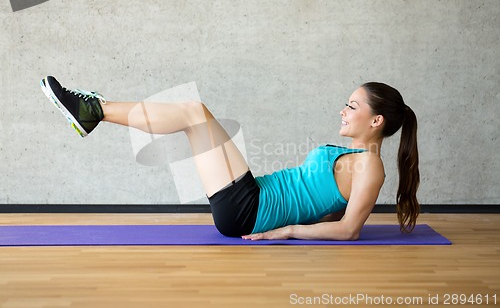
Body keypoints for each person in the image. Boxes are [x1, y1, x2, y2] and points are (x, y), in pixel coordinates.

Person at [40, 76, 419, 240]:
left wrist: (286, 231)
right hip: (252, 198)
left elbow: (349, 229)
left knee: (193, 111)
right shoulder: (354, 155)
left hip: (250, 209)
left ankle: (93, 109)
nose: (343, 110)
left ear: (376, 120)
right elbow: (328, 210)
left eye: (351, 106)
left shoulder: (371, 166)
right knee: (193, 115)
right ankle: (93, 110)